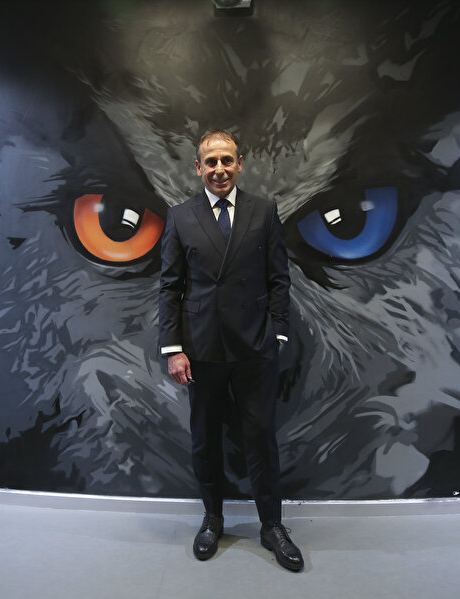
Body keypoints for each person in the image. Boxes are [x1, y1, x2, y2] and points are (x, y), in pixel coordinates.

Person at [158, 129, 304, 572]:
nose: (219, 169)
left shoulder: (264, 210)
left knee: (261, 438)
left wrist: (278, 334)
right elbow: (170, 286)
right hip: (200, 350)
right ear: (198, 168)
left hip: (254, 347)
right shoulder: (180, 216)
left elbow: (279, 278)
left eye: (227, 160)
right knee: (205, 439)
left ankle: (272, 526)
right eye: (211, 162)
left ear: (240, 163)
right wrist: (173, 349)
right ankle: (212, 519)